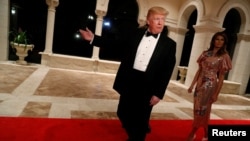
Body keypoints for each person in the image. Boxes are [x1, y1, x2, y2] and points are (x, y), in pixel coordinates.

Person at [79, 6, 176, 141]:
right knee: (122, 112)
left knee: (141, 120)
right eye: (157, 19)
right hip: (130, 81)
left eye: (163, 19)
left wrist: (158, 93)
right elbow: (116, 44)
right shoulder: (135, 34)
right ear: (148, 21)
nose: (160, 22)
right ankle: (135, 133)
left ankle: (137, 136)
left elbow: (167, 70)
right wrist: (94, 39)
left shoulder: (169, 44)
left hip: (148, 85)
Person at [186, 32, 232, 141]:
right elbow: (199, 70)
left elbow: (221, 78)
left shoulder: (224, 56)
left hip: (210, 85)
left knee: (201, 109)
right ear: (213, 40)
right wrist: (192, 85)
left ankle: (193, 132)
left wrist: (216, 94)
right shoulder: (205, 54)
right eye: (217, 39)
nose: (219, 41)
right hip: (199, 85)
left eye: (222, 40)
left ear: (224, 42)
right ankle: (206, 133)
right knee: (198, 109)